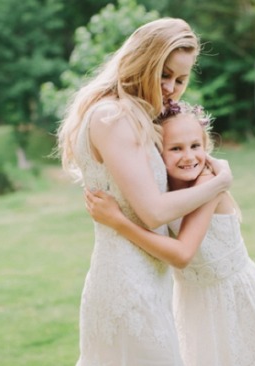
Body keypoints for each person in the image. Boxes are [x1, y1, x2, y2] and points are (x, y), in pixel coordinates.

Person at [57, 18, 233, 365]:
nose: (170, 87)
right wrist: (219, 183)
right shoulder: (114, 116)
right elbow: (152, 211)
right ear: (142, 62)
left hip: (148, 276)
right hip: (129, 284)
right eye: (163, 74)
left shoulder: (130, 115)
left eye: (180, 79)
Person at [85, 101, 255, 366]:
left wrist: (119, 222)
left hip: (231, 297)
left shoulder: (208, 183)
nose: (189, 157)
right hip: (192, 301)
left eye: (195, 146)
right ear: (156, 154)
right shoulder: (158, 192)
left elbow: (183, 254)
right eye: (176, 148)